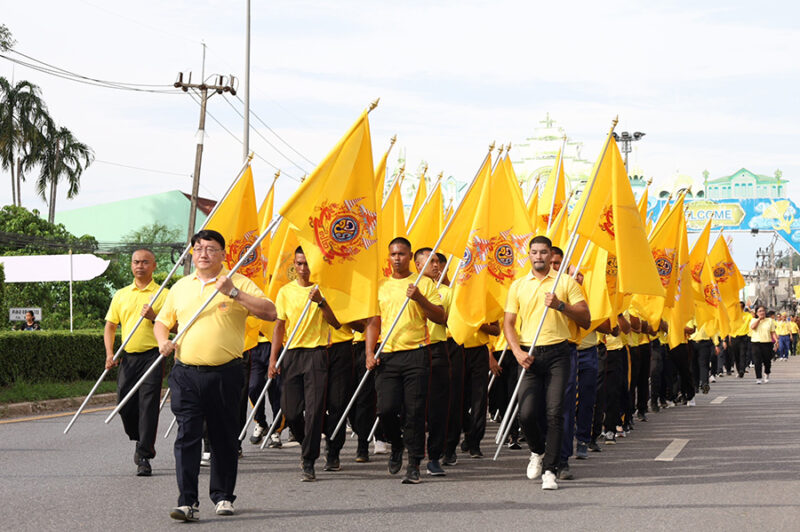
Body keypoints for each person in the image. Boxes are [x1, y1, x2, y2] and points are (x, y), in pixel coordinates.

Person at [154, 230, 276, 522]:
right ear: (191, 254)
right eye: (197, 249)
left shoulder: (237, 282)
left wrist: (233, 292)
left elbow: (270, 312)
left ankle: (222, 496)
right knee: (187, 436)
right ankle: (187, 501)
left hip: (226, 373)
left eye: (210, 249)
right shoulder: (181, 287)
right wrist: (163, 341)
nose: (203, 254)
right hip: (186, 374)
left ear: (223, 254)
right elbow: (162, 322)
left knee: (223, 437)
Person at [503, 236, 590, 491]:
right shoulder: (518, 285)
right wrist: (517, 352)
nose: (538, 256)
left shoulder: (565, 282)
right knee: (527, 414)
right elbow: (508, 323)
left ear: (550, 255)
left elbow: (585, 318)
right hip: (529, 355)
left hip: (559, 354)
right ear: (528, 255)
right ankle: (537, 451)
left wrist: (560, 305)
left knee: (554, 413)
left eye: (543, 252)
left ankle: (551, 470)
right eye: (534, 252)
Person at [365, 237, 445, 484]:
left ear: (410, 257)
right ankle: (396, 445)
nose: (397, 258)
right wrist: (369, 353)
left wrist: (420, 298)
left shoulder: (424, 283)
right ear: (388, 257)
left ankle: (414, 463)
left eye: (401, 254)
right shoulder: (379, 286)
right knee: (386, 409)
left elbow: (441, 317)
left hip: (417, 354)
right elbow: (373, 322)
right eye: (393, 254)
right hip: (387, 355)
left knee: (415, 411)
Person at [269, 247, 341, 481]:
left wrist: (321, 302)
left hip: (317, 354)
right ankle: (305, 441)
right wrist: (273, 358)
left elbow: (336, 323)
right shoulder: (285, 292)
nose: (303, 269)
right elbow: (279, 326)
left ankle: (309, 459)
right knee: (290, 411)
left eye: (307, 264)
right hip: (291, 355)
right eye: (299, 264)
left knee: (315, 409)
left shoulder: (323, 290)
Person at [104, 249, 168, 477]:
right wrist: (110, 353)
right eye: (136, 262)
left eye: (144, 262)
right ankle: (139, 437)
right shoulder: (121, 294)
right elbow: (111, 326)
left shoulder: (164, 293)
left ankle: (144, 455)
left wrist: (154, 317)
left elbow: (177, 327)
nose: (139, 266)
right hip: (128, 357)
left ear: (154, 266)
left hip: (153, 356)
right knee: (124, 403)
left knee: (149, 406)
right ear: (131, 266)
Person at [414, 247, 451, 476]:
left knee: (439, 407)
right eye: (430, 261)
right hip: (414, 351)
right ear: (417, 265)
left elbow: (446, 318)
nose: (436, 265)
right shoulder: (406, 287)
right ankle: (412, 451)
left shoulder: (446, 291)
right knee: (414, 406)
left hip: (438, 349)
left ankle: (435, 455)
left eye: (438, 261)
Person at [749, 305, 777, 383]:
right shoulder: (753, 320)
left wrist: (776, 341)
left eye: (763, 311)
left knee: (767, 361)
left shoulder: (770, 320)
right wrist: (759, 320)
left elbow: (772, 332)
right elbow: (753, 327)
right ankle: (758, 378)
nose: (762, 312)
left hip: (767, 343)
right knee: (757, 361)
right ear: (756, 313)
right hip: (756, 343)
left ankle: (767, 373)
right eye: (760, 311)